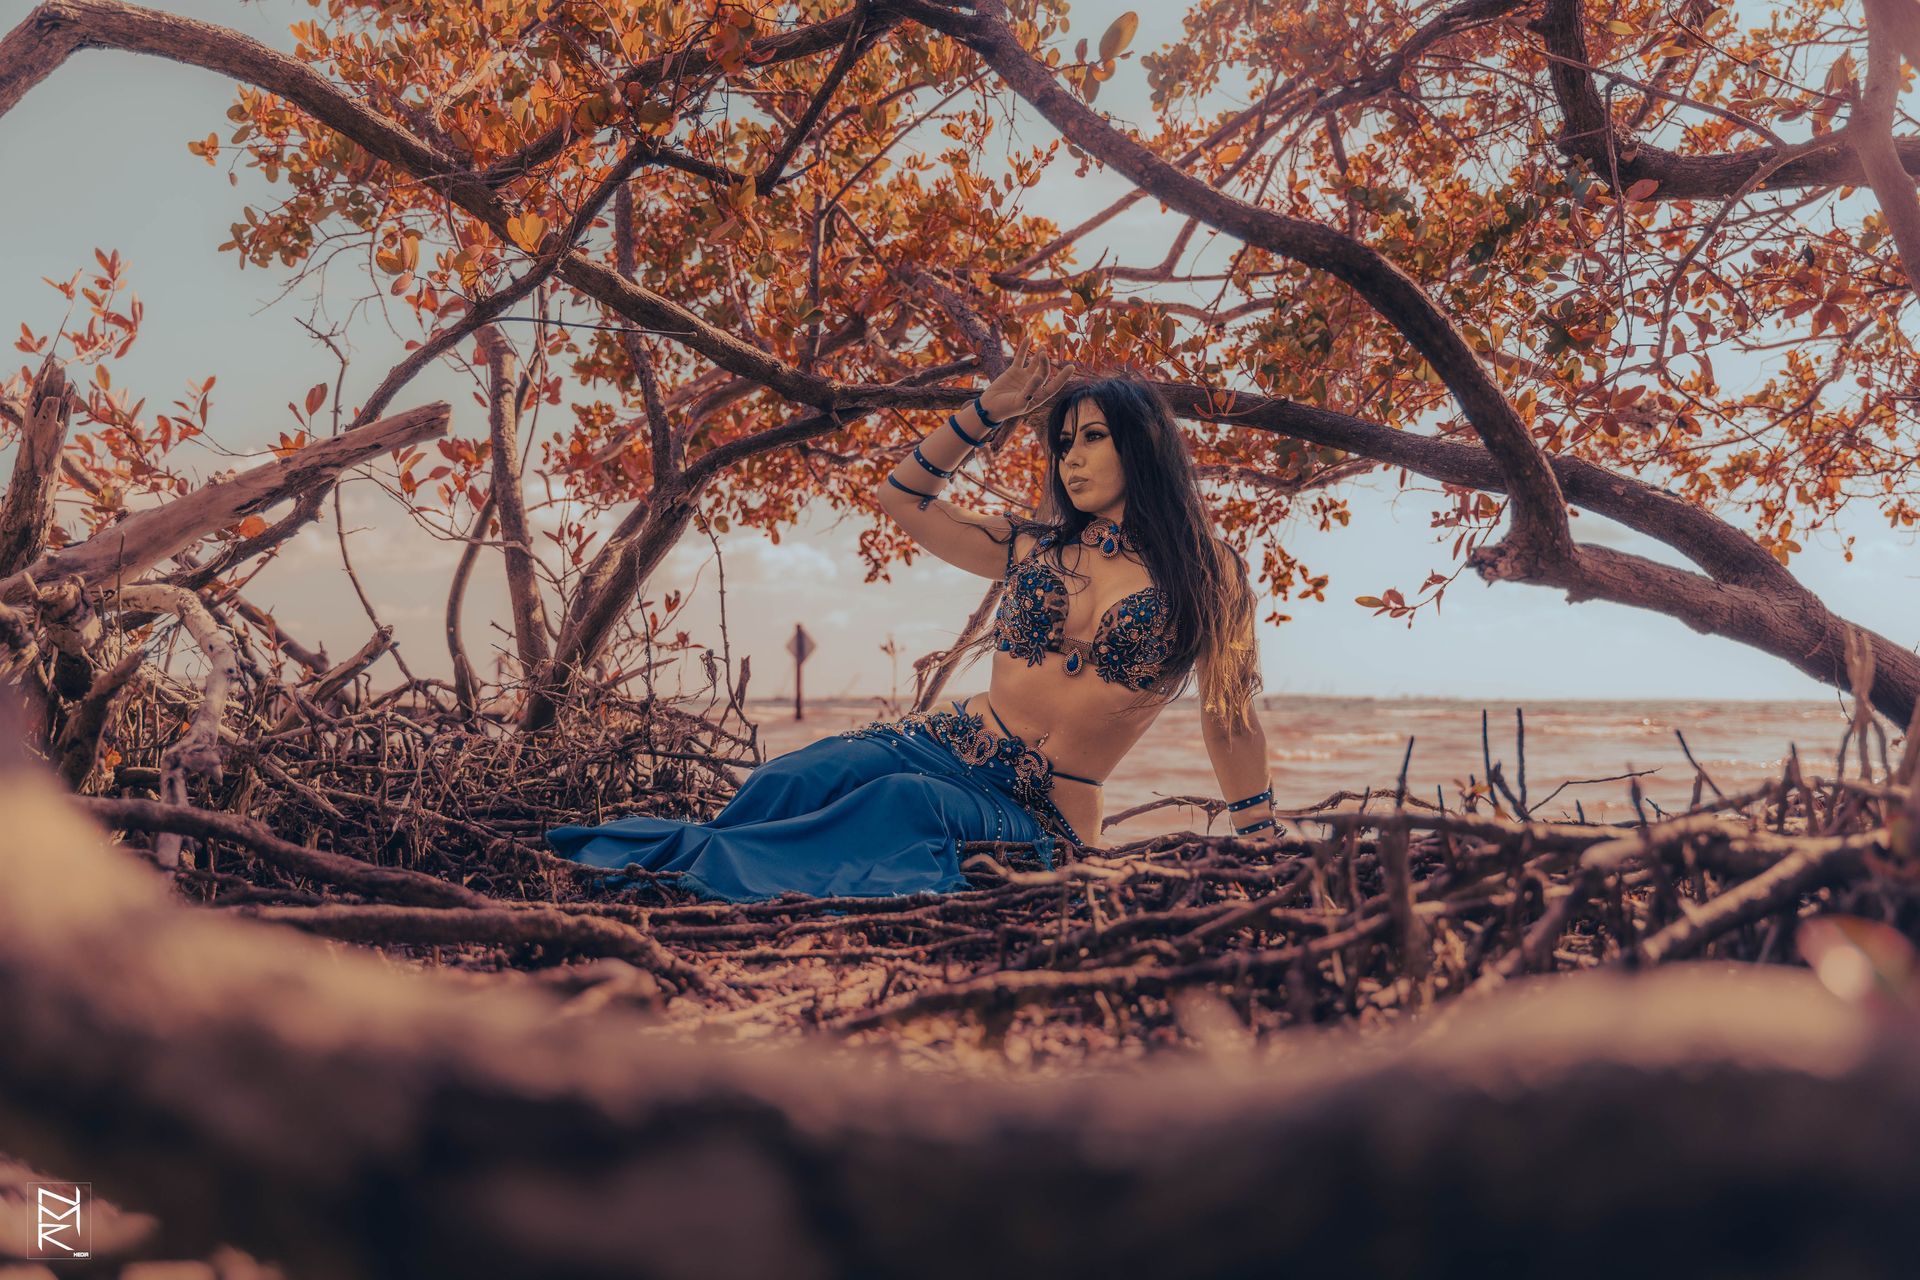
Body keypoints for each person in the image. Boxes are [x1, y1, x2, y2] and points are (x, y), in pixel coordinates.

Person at [547, 337, 1275, 902]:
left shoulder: (1212, 574)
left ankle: (706, 878)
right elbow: (903, 496)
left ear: (1142, 443)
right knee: (799, 778)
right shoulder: (1031, 546)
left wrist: (1263, 845)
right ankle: (704, 866)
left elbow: (1231, 720)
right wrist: (988, 410)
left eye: (1092, 437)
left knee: (899, 806)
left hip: (1042, 811)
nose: (1071, 459)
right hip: (939, 744)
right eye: (1062, 442)